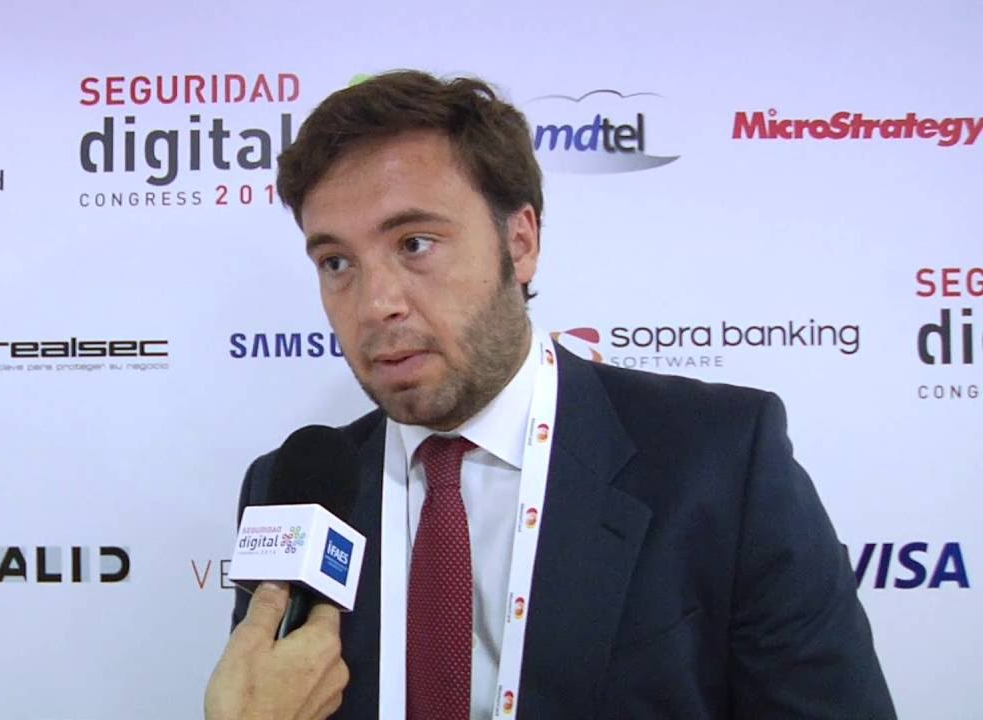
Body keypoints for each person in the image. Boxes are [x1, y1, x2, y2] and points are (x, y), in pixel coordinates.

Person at [206, 70, 896, 719]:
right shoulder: (292, 488)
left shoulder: (721, 459)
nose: (375, 303)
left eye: (415, 244)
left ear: (521, 242)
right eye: (336, 262)